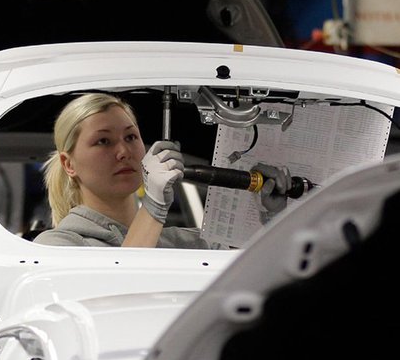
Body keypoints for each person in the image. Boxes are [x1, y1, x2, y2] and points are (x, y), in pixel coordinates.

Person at [33, 92, 290, 248]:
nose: (123, 151)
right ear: (69, 164)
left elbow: (263, 280)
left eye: (131, 137)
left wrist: (272, 219)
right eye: (103, 141)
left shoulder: (189, 244)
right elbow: (120, 290)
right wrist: (154, 206)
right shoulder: (57, 247)